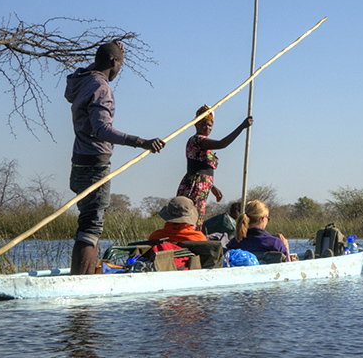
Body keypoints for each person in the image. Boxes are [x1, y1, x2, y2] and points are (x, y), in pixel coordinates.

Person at [64, 41, 165, 275]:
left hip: (79, 163)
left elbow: (90, 70)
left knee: (88, 222)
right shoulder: (101, 87)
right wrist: (140, 142)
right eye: (120, 64)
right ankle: (81, 284)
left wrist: (111, 53)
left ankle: (84, 277)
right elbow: (101, 129)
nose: (119, 71)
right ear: (113, 62)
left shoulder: (82, 81)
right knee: (91, 226)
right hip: (94, 166)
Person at [178, 105, 253, 226]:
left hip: (203, 185)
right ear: (196, 125)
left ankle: (194, 238)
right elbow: (222, 144)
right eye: (203, 124)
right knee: (191, 217)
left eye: (209, 125)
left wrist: (212, 187)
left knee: (198, 217)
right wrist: (242, 127)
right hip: (195, 185)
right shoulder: (197, 140)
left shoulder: (205, 144)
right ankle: (188, 240)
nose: (207, 128)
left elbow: (203, 167)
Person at [226, 200, 296, 262]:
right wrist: (286, 247)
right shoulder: (276, 243)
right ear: (263, 219)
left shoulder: (234, 242)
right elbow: (287, 270)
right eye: (268, 218)